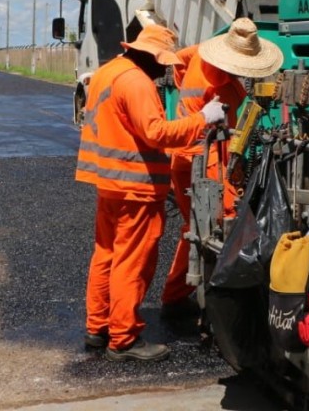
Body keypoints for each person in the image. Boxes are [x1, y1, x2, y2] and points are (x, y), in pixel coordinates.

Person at [76, 23, 226, 363]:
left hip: (109, 183)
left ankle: (98, 327)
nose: (165, 70)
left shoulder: (107, 71)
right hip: (136, 187)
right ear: (149, 56)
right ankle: (124, 338)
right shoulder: (137, 82)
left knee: (106, 255)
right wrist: (203, 118)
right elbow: (157, 133)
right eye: (163, 62)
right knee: (132, 262)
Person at [160, 17, 284, 318]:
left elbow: (181, 59)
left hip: (193, 153)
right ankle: (192, 296)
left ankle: (185, 293)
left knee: (198, 226)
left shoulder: (200, 53)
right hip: (199, 158)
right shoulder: (218, 82)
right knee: (216, 224)